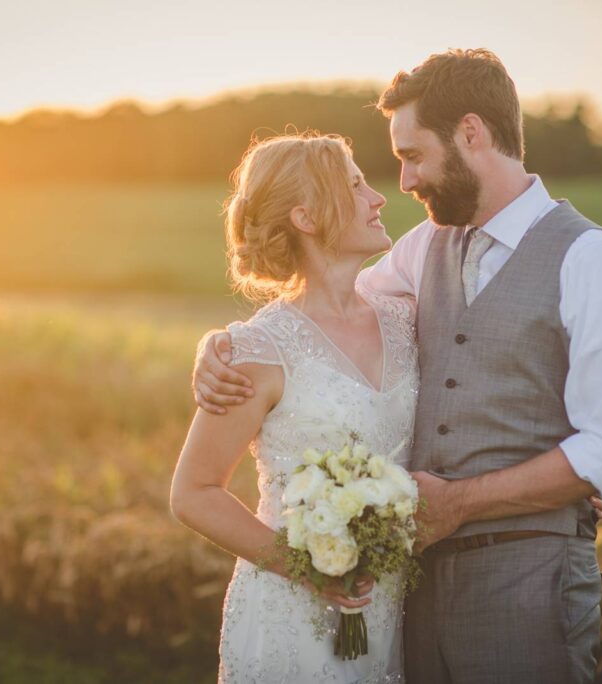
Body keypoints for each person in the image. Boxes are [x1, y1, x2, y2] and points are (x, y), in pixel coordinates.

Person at [191, 48, 602, 683]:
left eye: (412, 156)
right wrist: (219, 345)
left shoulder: (591, 261)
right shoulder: (423, 249)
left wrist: (465, 501)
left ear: (471, 133)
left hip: (528, 583)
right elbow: (315, 314)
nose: (403, 183)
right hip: (410, 599)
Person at [170, 132, 420, 682]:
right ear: (306, 218)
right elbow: (193, 493)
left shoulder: (407, 319)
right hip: (291, 614)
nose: (378, 197)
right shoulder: (257, 350)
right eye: (355, 185)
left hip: (391, 609)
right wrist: (311, 571)